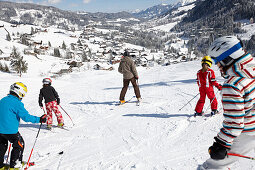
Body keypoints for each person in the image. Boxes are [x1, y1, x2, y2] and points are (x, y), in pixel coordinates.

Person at [200, 36, 255, 169]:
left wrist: (220, 144)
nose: (217, 65)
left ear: (227, 59)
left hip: (247, 132)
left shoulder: (232, 85)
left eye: (217, 61)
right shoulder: (252, 70)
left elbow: (235, 123)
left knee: (212, 166)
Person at [0, 82, 46, 170]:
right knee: (19, 144)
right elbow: (26, 117)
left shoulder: (3, 100)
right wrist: (39, 119)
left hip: (0, 130)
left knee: (2, 145)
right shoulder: (16, 103)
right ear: (20, 92)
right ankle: (15, 165)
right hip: (10, 131)